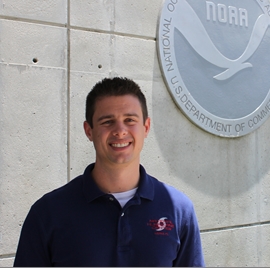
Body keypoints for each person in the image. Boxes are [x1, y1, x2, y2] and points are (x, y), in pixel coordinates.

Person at [14, 77, 205, 267]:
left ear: (146, 127)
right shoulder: (48, 213)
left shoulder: (179, 210)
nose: (120, 131)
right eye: (107, 121)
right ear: (89, 130)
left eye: (130, 120)